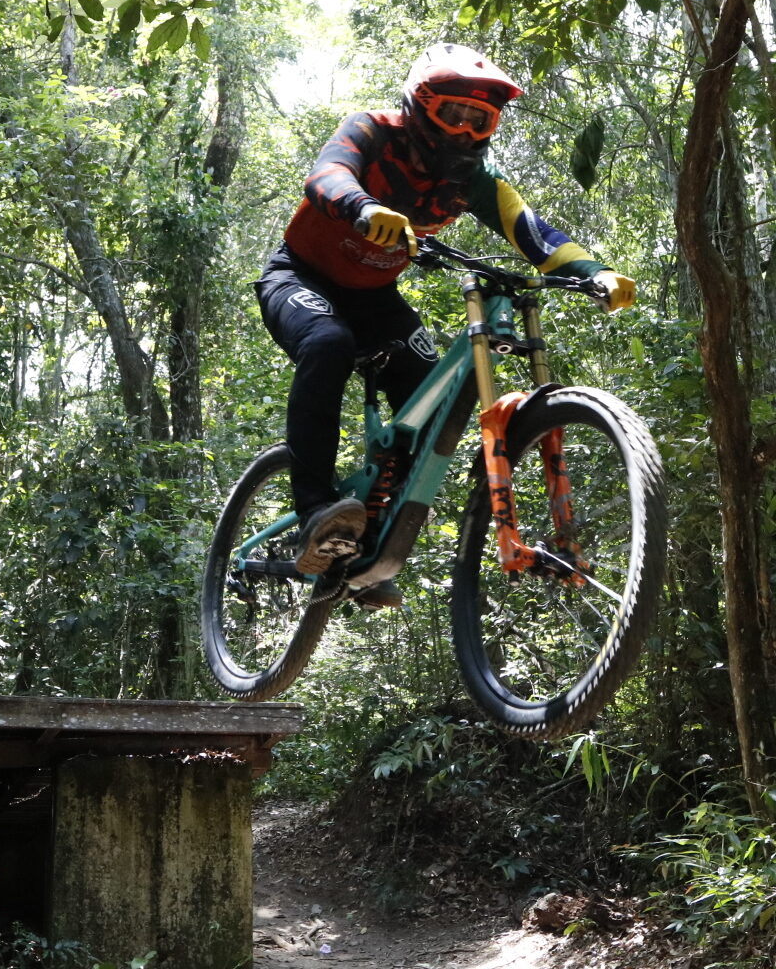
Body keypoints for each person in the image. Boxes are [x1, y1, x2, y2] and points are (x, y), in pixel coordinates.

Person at [254, 42, 636, 605]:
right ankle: (315, 510)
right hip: (300, 277)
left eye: (480, 120)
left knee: (431, 396)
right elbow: (327, 174)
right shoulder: (373, 131)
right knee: (329, 343)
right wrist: (364, 207)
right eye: (452, 113)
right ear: (418, 107)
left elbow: (533, 233)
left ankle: (365, 551)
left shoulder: (475, 179)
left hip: (375, 299)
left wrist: (595, 273)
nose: (465, 131)